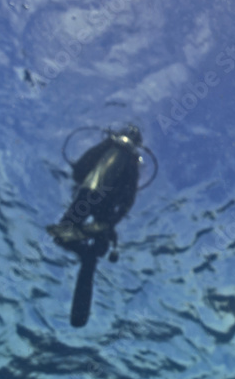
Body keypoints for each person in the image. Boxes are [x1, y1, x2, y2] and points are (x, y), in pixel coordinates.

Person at [47, 124, 157, 327]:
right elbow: (127, 200)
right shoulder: (129, 161)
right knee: (96, 245)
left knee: (63, 234)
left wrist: (107, 143)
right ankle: (90, 253)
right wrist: (110, 224)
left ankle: (86, 250)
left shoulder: (107, 150)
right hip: (104, 209)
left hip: (87, 197)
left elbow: (79, 172)